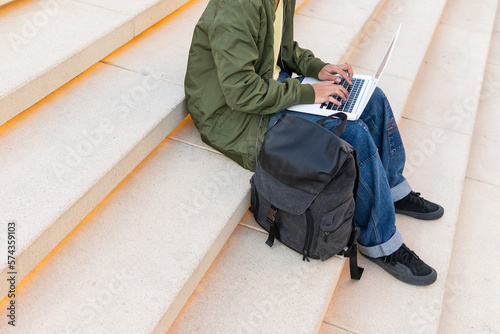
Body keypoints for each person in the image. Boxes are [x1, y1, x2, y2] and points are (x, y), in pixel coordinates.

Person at [184, 0, 444, 286]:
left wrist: (319, 69)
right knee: (352, 132)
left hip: (268, 92)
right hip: (235, 119)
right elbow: (240, 92)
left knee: (373, 98)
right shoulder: (239, 5)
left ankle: (392, 189)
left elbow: (281, 49)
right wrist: (309, 93)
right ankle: (382, 244)